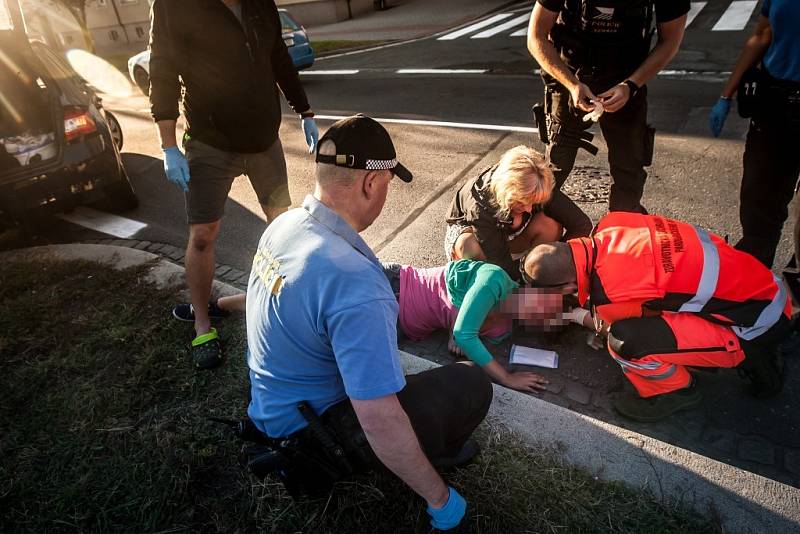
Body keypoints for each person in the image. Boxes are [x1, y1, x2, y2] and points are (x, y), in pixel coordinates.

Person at [246, 115, 492, 530]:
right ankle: (433, 464)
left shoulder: (285, 225)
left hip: (269, 410)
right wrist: (441, 501)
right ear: (370, 184)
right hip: (315, 436)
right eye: (389, 185)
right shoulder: (356, 282)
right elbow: (378, 418)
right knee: (471, 383)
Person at [148, 0, 319, 369]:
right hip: (210, 142)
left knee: (283, 232)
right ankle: (202, 324)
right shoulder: (174, 6)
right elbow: (162, 68)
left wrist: (305, 111)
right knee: (203, 235)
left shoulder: (259, 2)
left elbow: (278, 57)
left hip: (263, 141)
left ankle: (285, 311)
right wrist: (168, 145)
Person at [523, 211, 790, 422]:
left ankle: (678, 391)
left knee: (625, 343)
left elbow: (623, 326)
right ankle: (754, 351)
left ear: (568, 286)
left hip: (753, 323)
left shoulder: (610, 293)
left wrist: (579, 316)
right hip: (765, 287)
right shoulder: (612, 223)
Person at [527, 0, 689, 215]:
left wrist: (630, 85)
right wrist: (572, 85)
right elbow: (536, 36)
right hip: (570, 75)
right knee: (554, 170)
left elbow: (670, 40)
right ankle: (539, 231)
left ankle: (624, 230)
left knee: (629, 173)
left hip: (626, 79)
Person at [708, 0, 800, 269]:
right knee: (758, 211)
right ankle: (753, 292)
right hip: (775, 107)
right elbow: (763, 33)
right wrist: (726, 94)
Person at [383, 260, 550, 393]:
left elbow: (466, 338)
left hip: (398, 326)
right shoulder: (494, 279)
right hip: (393, 287)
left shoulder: (501, 331)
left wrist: (457, 335)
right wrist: (506, 378)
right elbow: (464, 333)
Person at [445, 145, 589, 282]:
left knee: (550, 225)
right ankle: (475, 283)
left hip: (512, 238)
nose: (528, 208)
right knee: (469, 245)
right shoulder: (479, 205)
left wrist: (555, 259)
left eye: (533, 202)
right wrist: (521, 289)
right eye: (521, 202)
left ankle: (534, 270)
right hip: (479, 241)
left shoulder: (537, 184)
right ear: (508, 192)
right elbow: (498, 261)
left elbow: (581, 225)